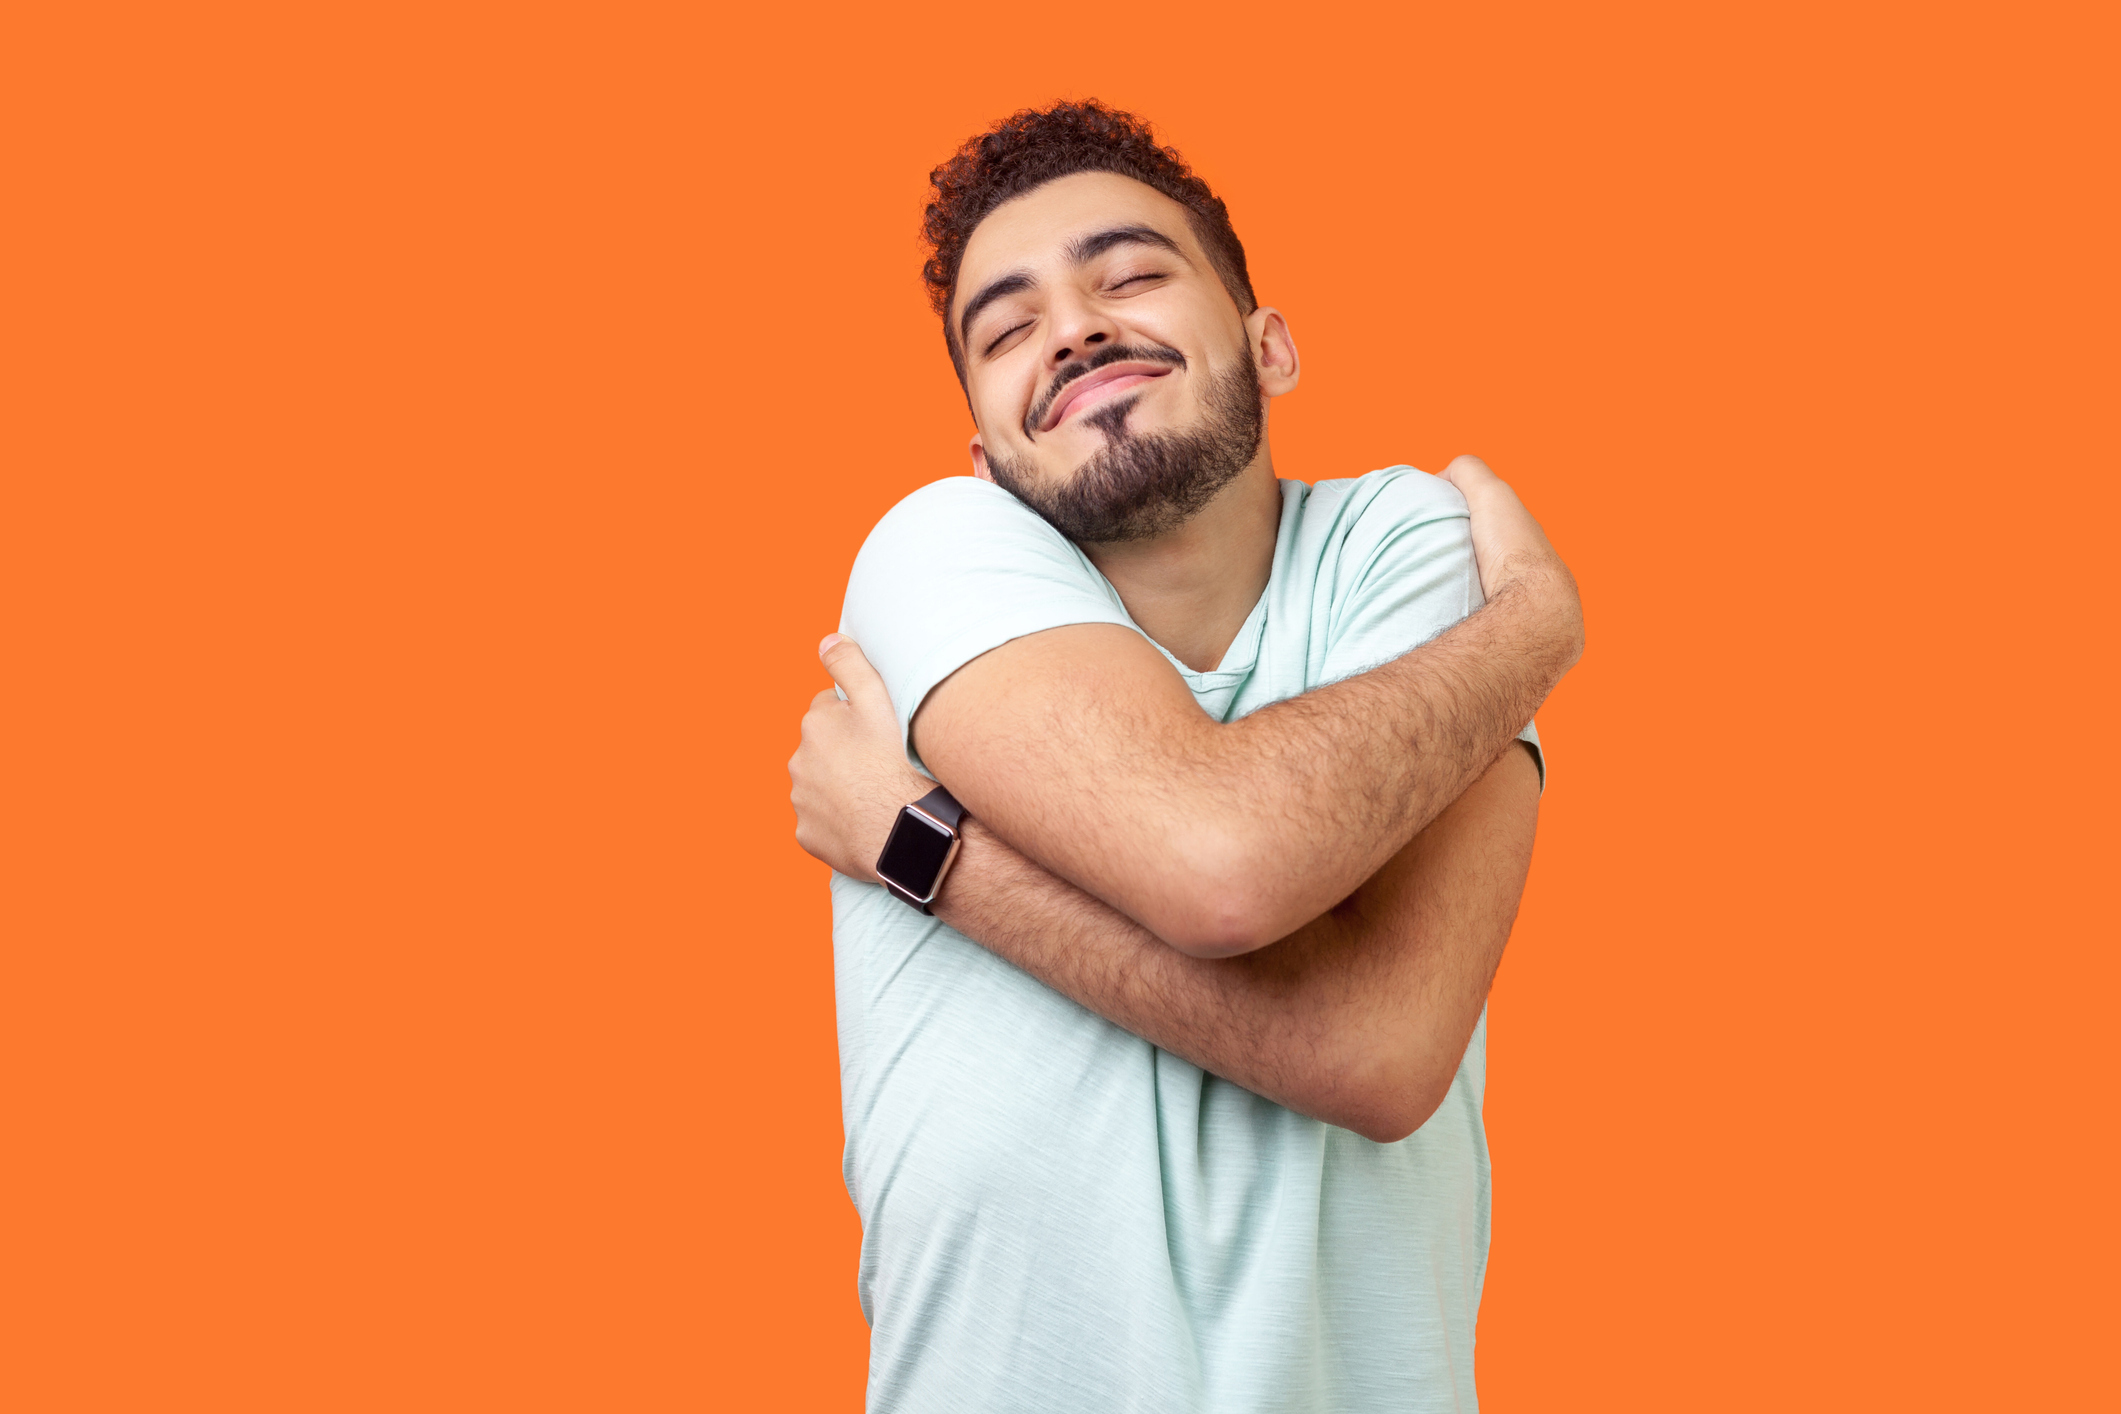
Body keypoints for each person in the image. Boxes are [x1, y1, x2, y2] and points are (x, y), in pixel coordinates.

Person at [788, 100, 1584, 1412]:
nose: (1073, 327)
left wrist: (924, 848)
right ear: (984, 456)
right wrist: (1532, 634)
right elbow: (1224, 873)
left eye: (1131, 273)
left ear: (1268, 346)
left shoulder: (1403, 542)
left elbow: (1377, 1050)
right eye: (1008, 326)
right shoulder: (937, 551)